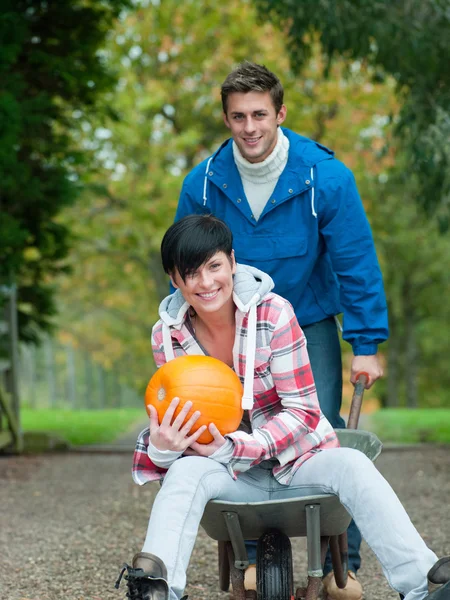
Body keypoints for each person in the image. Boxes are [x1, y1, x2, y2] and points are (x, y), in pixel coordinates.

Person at [116, 214, 449, 600]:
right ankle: (157, 590)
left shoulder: (273, 313)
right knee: (183, 474)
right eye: (191, 273)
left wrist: (235, 447)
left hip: (300, 460)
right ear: (175, 280)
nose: (206, 283)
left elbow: (304, 413)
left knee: (355, 464)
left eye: (214, 266)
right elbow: (184, 424)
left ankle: (424, 584)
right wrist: (164, 445)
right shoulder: (166, 336)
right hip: (228, 474)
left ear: (232, 261)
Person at [174, 61, 388, 598]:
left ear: (280, 114)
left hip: (307, 318)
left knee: (320, 427)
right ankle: (250, 555)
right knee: (232, 425)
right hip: (231, 322)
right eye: (238, 117)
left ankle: (342, 563)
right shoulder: (203, 183)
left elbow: (355, 260)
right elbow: (185, 261)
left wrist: (366, 343)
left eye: (260, 115)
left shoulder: (324, 177)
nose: (250, 128)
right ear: (226, 119)